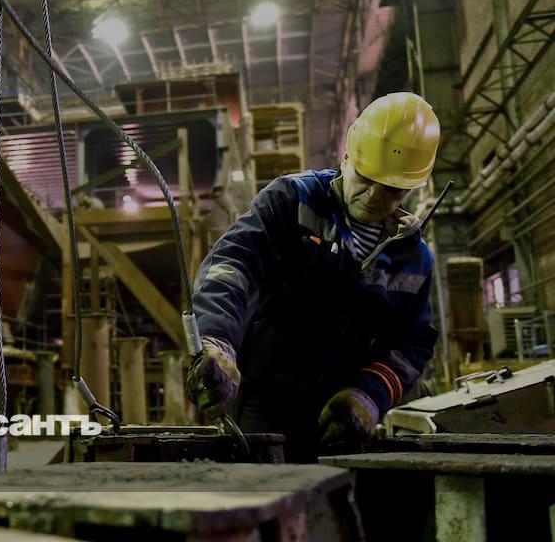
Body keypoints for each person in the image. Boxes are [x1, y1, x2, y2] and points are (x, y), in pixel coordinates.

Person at [186, 92, 441, 462]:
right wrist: (218, 343)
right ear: (347, 157)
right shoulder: (293, 200)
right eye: (365, 177)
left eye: (390, 189)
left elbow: (413, 344)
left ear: (409, 188)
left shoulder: (413, 259)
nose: (372, 195)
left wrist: (369, 395)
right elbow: (232, 264)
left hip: (337, 415)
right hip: (262, 396)